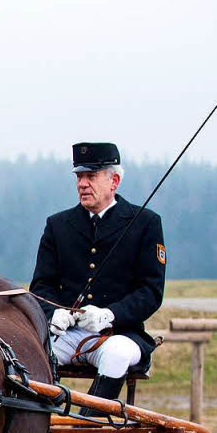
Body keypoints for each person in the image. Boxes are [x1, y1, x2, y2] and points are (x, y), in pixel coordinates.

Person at [30, 142, 167, 403]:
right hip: (66, 334)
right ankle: (42, 423)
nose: (82, 183)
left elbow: (150, 292)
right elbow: (40, 288)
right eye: (79, 176)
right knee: (33, 353)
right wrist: (53, 313)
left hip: (120, 334)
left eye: (91, 176)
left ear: (113, 180)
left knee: (116, 354)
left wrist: (110, 315)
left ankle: (90, 424)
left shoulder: (145, 223)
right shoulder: (58, 225)